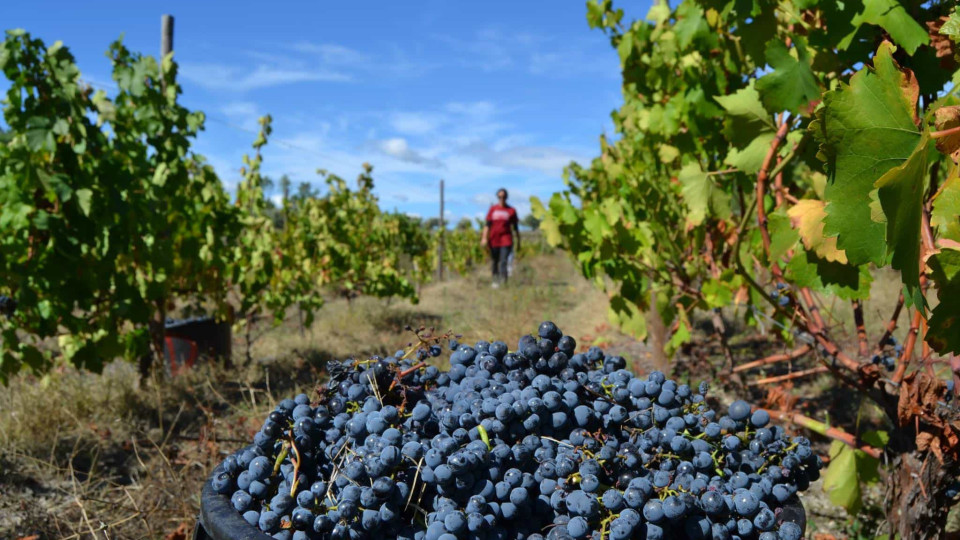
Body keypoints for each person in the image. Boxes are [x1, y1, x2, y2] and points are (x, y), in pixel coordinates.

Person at [481, 188, 520, 288]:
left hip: (506, 239)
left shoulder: (511, 210)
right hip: (494, 240)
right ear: (497, 197)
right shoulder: (493, 209)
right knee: (494, 261)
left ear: (507, 197)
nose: (502, 198)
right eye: (499, 197)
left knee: (503, 261)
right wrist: (484, 238)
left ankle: (503, 281)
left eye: (503, 197)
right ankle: (495, 279)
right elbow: (487, 225)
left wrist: (518, 241)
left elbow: (515, 227)